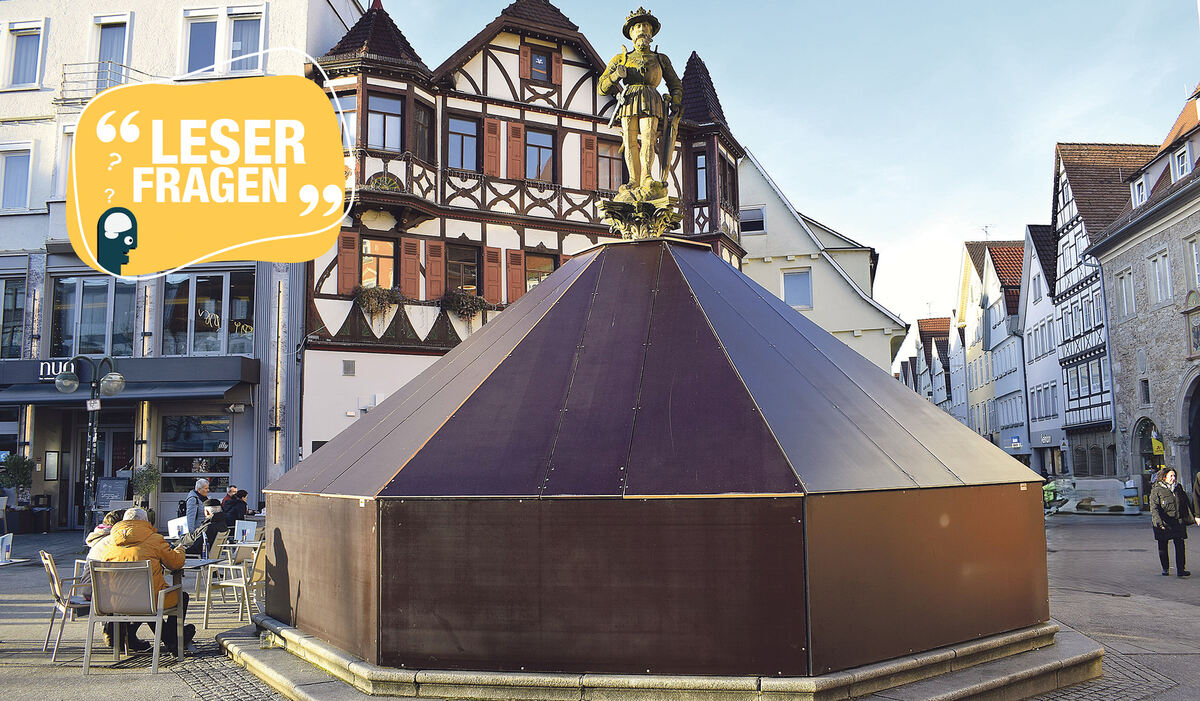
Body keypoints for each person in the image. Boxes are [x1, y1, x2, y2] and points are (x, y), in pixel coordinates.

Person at [596, 8, 682, 201]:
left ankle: (647, 177)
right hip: (629, 99)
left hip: (651, 99)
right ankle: (633, 180)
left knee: (649, 138)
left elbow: (675, 84)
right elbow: (601, 87)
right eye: (637, 26)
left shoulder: (660, 59)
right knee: (629, 141)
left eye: (645, 26)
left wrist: (675, 101)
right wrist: (616, 75)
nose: (642, 29)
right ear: (631, 33)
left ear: (651, 32)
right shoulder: (621, 58)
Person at [93, 507, 195, 653]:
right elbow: (175, 563)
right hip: (148, 600)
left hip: (114, 601)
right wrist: (180, 549)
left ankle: (128, 636)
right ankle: (173, 639)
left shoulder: (109, 543)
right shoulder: (155, 539)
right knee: (180, 596)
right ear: (145, 522)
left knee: (140, 596)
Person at [1150, 468, 1199, 577]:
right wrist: (1159, 522)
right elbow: (1154, 508)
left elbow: (1186, 503)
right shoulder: (1157, 490)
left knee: (1180, 545)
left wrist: (1193, 516)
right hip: (1164, 522)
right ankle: (1165, 568)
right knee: (1163, 546)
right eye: (1171, 476)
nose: (1173, 478)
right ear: (1164, 477)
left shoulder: (1178, 488)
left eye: (1174, 476)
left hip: (1178, 521)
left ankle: (1181, 570)